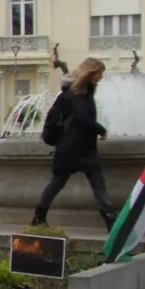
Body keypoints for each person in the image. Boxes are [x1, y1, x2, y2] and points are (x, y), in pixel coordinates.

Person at [33, 58, 117, 230]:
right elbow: (82, 118)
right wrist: (101, 129)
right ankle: (111, 219)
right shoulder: (78, 92)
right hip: (78, 147)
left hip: (69, 146)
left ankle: (39, 217)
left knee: (58, 182)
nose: (101, 77)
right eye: (100, 73)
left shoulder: (74, 90)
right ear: (92, 72)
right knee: (96, 180)